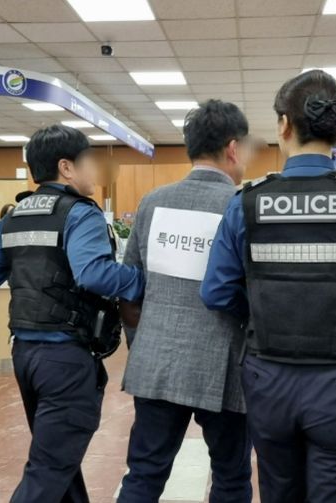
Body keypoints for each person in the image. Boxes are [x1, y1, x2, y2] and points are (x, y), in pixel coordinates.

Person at [200, 70, 336, 503]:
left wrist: (265, 305)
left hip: (268, 378)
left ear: (284, 125)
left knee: (279, 491)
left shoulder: (247, 203)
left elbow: (216, 293)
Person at [0, 124, 145, 503]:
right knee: (49, 469)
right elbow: (93, 273)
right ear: (66, 167)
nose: (95, 171)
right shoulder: (80, 213)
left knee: (58, 460)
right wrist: (143, 281)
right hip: (66, 360)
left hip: (26, 356)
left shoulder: (15, 217)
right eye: (89, 161)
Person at [116, 100, 254, 503]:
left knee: (143, 475)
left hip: (156, 362)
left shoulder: (152, 202)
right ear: (233, 148)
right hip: (225, 367)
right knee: (231, 478)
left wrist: (141, 344)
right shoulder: (242, 207)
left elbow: (131, 287)